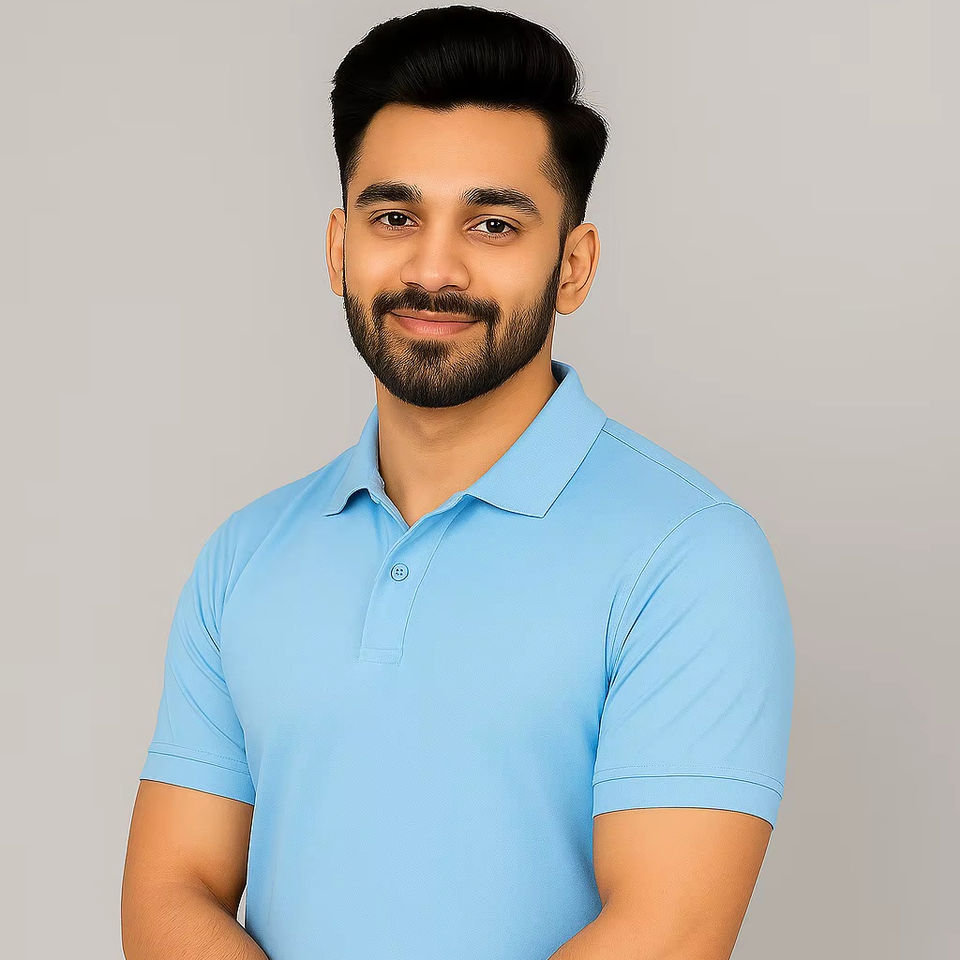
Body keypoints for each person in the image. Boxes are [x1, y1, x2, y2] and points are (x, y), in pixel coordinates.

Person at [121, 7, 794, 960]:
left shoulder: (689, 555)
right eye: (394, 217)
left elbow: (667, 931)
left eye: (493, 224)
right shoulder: (246, 554)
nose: (434, 268)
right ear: (338, 249)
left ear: (573, 266)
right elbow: (168, 893)